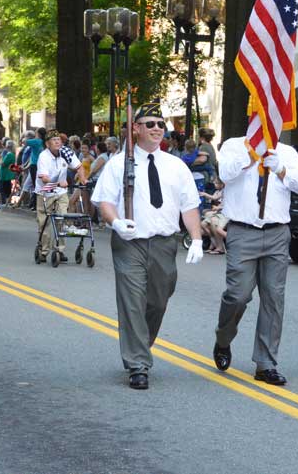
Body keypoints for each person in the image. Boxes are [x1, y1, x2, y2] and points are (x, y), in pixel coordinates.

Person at [91, 101, 204, 390]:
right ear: (136, 128)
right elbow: (104, 202)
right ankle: (138, 363)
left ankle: (141, 345)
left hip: (165, 243)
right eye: (150, 124)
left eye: (160, 124)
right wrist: (115, 222)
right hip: (130, 243)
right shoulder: (118, 163)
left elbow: (189, 206)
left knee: (157, 299)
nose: (157, 129)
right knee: (131, 301)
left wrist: (197, 239)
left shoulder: (176, 166)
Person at [211, 134, 298, 386]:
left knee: (274, 298)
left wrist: (281, 169)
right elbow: (225, 175)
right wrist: (249, 156)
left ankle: (265, 363)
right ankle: (223, 339)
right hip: (243, 231)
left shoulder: (286, 151)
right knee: (238, 295)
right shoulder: (234, 145)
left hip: (277, 232)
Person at [35, 130, 84, 263]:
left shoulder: (65, 153)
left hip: (61, 193)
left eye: (59, 139)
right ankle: (44, 250)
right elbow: (44, 178)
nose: (57, 142)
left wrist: (83, 179)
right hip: (45, 192)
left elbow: (79, 166)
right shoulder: (43, 157)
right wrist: (58, 183)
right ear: (47, 144)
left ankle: (59, 250)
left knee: (61, 218)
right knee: (43, 223)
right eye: (54, 140)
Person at [0, 140, 17, 208]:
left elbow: (3, 163)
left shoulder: (10, 155)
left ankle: (5, 203)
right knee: (4, 189)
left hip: (6, 175)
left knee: (5, 189)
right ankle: (4, 203)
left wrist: (0, 160)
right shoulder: (9, 154)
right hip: (4, 174)